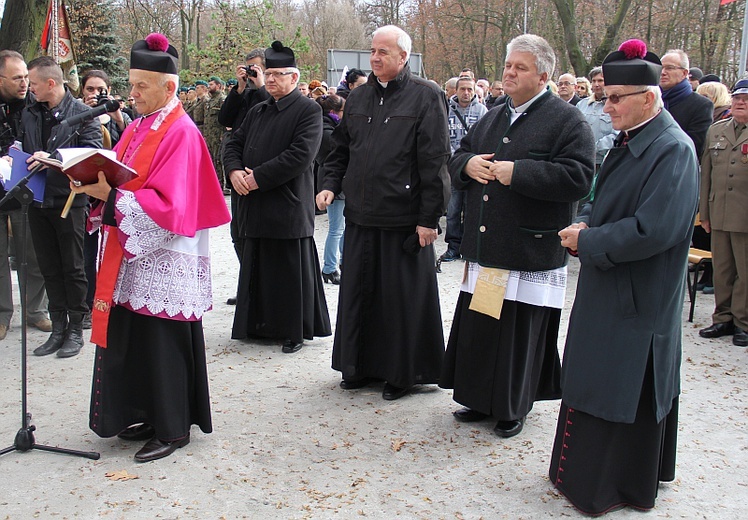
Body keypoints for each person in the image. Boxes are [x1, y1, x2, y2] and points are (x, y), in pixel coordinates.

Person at [549, 39, 699, 514]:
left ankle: (615, 485)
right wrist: (587, 223)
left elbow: (653, 230)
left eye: (615, 97)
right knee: (595, 376)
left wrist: (587, 241)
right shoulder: (633, 136)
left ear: (649, 98)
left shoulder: (674, 149)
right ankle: (580, 476)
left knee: (620, 383)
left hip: (638, 295)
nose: (604, 104)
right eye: (606, 95)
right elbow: (610, 200)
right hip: (609, 284)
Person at [74, 33, 230, 462]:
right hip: (132, 252)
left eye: (142, 86)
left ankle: (174, 426)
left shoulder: (180, 130)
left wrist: (111, 197)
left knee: (162, 341)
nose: (133, 93)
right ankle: (147, 411)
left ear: (169, 88)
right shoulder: (142, 125)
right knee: (139, 338)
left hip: (165, 255)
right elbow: (121, 176)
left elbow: (170, 207)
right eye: (131, 84)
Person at [439, 34, 594, 438]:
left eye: (519, 67)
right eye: (508, 65)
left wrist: (519, 173)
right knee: (485, 323)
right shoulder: (493, 115)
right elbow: (456, 157)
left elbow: (579, 177)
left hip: (528, 247)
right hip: (490, 249)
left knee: (519, 331)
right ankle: (478, 397)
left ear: (543, 75)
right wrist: (468, 164)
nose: (509, 73)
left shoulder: (567, 120)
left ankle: (512, 405)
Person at [317, 25, 451, 401]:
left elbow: (435, 162)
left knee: (399, 302)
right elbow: (340, 151)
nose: (375, 57)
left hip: (403, 219)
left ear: (403, 56)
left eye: (383, 52)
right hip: (361, 214)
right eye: (373, 51)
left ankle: (402, 373)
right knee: (360, 296)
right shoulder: (357, 99)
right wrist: (329, 183)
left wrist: (429, 218)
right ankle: (359, 366)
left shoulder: (427, 96)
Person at [224, 41, 331, 354]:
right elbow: (233, 144)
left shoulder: (308, 110)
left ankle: (292, 330)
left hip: (286, 204)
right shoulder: (258, 109)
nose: (270, 80)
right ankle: (258, 325)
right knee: (256, 265)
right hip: (254, 205)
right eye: (267, 74)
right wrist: (233, 173)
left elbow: (300, 156)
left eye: (277, 75)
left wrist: (256, 178)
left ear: (294, 78)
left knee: (287, 272)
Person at [21, 56, 102, 358]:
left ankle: (75, 330)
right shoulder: (31, 112)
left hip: (69, 200)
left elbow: (93, 156)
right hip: (37, 199)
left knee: (73, 266)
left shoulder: (83, 114)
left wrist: (52, 160)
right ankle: (57, 327)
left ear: (51, 84)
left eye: (34, 84)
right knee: (49, 267)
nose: (29, 89)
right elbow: (21, 142)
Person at [0, 50, 51, 340]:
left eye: (26, 78)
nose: (24, 83)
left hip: (28, 189)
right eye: (17, 78)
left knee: (32, 253)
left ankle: (35, 310)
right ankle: (1, 314)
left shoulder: (35, 106)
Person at [698, 79, 748, 347]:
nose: (740, 103)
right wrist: (705, 211)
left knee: (745, 272)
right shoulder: (717, 130)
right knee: (723, 270)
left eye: (746, 99)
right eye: (737, 98)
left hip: (745, 216)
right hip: (719, 212)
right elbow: (707, 173)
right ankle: (722, 318)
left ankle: (743, 322)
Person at [440, 77, 488, 263]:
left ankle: (469, 246)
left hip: (474, 166)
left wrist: (472, 160)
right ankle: (453, 246)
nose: (466, 93)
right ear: (456, 90)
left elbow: (486, 137)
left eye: (470, 89)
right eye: (463, 89)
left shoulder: (482, 111)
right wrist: (455, 158)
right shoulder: (447, 110)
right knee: (453, 210)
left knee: (471, 210)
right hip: (452, 167)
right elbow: (442, 136)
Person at [315, 94, 345, 284]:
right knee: (336, 228)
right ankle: (329, 267)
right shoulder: (328, 131)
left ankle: (341, 262)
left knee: (342, 227)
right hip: (333, 183)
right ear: (334, 112)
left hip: (338, 182)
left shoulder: (328, 127)